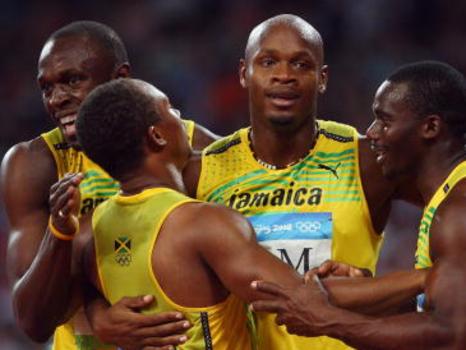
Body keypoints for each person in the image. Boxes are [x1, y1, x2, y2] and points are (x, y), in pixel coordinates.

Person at [85, 13, 424, 350]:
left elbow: (450, 198)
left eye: (301, 64)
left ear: (322, 79)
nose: (284, 76)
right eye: (268, 62)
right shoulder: (201, 171)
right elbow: (120, 241)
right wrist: (100, 315)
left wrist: (429, 287)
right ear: (243, 74)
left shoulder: (365, 159)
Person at [0, 21, 218, 350]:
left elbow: (223, 257)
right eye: (46, 88)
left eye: (73, 80)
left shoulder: (189, 145)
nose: (57, 99)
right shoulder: (34, 164)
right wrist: (60, 233)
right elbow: (34, 320)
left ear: (120, 78)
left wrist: (95, 308)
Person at [70, 77, 308, 349]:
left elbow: (75, 296)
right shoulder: (203, 223)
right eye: (170, 108)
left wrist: (97, 312)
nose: (180, 116)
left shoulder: (88, 234)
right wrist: (365, 288)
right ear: (156, 135)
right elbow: (299, 298)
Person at [249, 61, 466, 349]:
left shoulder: (457, 211)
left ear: (430, 127)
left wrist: (327, 320)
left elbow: (452, 334)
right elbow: (434, 313)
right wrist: (371, 293)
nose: (372, 133)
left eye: (385, 121)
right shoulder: (446, 199)